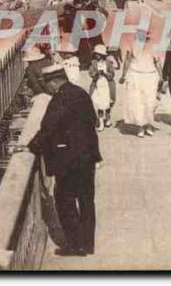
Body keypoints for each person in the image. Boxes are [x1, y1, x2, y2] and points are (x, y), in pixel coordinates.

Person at [27, 64, 102, 257]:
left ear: (54, 82)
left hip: (68, 161)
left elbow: (48, 128)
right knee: (86, 201)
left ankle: (74, 245)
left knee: (64, 200)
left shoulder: (60, 98)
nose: (47, 90)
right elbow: (93, 120)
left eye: (47, 85)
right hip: (87, 157)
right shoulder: (80, 93)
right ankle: (87, 244)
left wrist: (32, 146)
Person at [119, 27, 162, 138]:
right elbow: (127, 61)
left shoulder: (153, 47)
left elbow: (157, 63)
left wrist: (161, 77)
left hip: (150, 77)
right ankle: (140, 127)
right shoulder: (132, 46)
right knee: (137, 102)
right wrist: (123, 75)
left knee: (149, 102)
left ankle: (148, 125)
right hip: (135, 77)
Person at [88, 45, 113, 132]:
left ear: (103, 55)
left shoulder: (108, 63)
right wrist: (96, 73)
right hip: (97, 86)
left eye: (99, 54)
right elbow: (90, 73)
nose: (97, 56)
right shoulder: (93, 63)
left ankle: (108, 117)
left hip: (106, 86)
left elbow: (112, 74)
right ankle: (101, 123)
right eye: (96, 54)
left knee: (107, 105)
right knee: (99, 105)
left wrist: (105, 73)